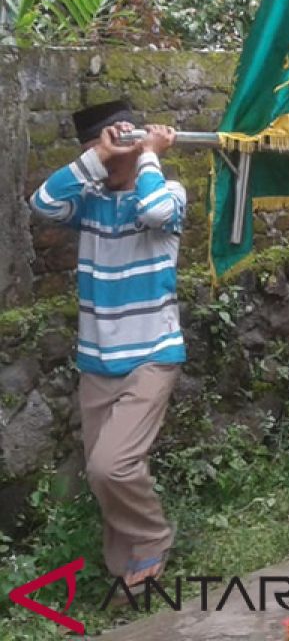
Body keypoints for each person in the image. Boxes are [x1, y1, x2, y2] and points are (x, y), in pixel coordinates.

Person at [29, 99, 184, 587]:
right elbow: (42, 204)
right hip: (98, 357)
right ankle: (128, 578)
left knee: (110, 466)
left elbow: (155, 211)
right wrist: (95, 157)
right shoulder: (89, 201)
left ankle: (154, 536)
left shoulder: (168, 191)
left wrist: (151, 156)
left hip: (152, 354)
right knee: (103, 478)